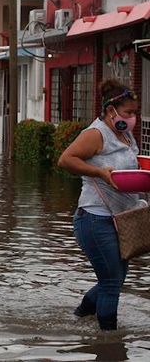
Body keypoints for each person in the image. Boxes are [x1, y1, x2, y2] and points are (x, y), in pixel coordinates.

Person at [58, 79, 143, 331]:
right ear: (110, 110)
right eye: (128, 113)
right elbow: (65, 160)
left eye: (134, 113)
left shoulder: (125, 134)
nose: (132, 118)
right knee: (111, 282)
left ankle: (80, 317)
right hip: (95, 218)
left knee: (114, 280)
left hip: (122, 218)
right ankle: (109, 343)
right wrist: (100, 173)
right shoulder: (96, 134)